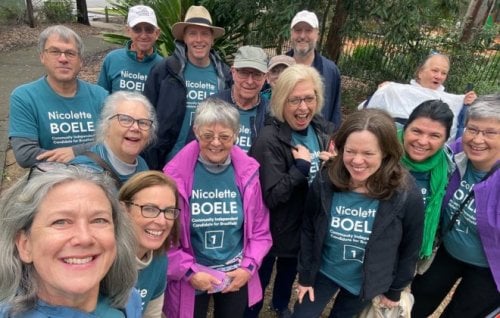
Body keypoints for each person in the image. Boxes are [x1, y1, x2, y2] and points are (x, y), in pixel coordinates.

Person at [292, 109, 424, 317]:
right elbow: (309, 227)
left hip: (366, 280)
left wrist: (395, 290)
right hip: (323, 272)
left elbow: (410, 247)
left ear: (386, 153)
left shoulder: (407, 194)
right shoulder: (326, 179)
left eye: (368, 153)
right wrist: (305, 276)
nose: (357, 161)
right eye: (350, 151)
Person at [163, 98, 272, 318]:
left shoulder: (248, 173)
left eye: (224, 136)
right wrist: (189, 272)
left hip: (235, 271)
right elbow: (164, 236)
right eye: (207, 135)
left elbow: (260, 230)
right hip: (193, 272)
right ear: (195, 131)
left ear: (236, 134)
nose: (215, 143)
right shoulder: (174, 176)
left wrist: (248, 268)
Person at [246, 64, 335, 318]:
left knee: (288, 272)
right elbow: (272, 196)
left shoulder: (321, 130)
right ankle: (250, 312)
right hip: (274, 230)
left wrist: (333, 167)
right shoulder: (269, 139)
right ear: (281, 101)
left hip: (305, 227)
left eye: (309, 98)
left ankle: (280, 306)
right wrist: (301, 168)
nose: (303, 108)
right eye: (294, 100)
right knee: (260, 280)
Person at [0, 164, 141, 317]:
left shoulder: (129, 299)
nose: (84, 238)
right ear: (25, 245)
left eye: (99, 220)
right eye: (61, 222)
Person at [411, 95, 500, 318]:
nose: (478, 139)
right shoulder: (455, 152)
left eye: (490, 133)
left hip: (489, 269)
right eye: (472, 129)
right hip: (448, 251)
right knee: (416, 301)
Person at [143, 5, 231, 170]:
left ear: (212, 39)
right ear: (184, 37)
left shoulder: (224, 75)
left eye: (204, 33)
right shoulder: (165, 70)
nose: (199, 40)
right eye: (192, 33)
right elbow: (147, 113)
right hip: (169, 159)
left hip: (210, 159)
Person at [9, 25, 108, 168]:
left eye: (70, 53)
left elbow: (113, 143)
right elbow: (26, 155)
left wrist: (74, 151)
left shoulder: (100, 95)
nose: (63, 59)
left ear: (80, 61)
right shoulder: (24, 97)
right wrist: (88, 156)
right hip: (48, 180)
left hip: (98, 178)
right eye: (55, 51)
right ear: (42, 57)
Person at [361, 53, 477, 140]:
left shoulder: (453, 101)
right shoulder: (396, 92)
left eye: (443, 73)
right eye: (435, 70)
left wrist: (467, 102)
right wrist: (385, 90)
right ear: (421, 72)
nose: (439, 76)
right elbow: (367, 115)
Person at [119, 171, 180, 317]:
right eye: (149, 209)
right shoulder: (102, 260)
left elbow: (152, 315)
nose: (161, 221)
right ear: (123, 209)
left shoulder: (159, 261)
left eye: (169, 211)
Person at [400, 100, 454, 262]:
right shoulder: (380, 153)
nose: (423, 141)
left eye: (434, 136)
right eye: (416, 131)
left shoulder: (449, 167)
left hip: (410, 252)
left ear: (445, 139)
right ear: (405, 128)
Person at [72, 91, 157, 185]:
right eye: (125, 119)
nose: (136, 128)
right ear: (106, 125)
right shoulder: (84, 172)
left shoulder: (141, 165)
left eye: (143, 122)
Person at [287, 10, 342, 128]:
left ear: (317, 34)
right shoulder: (278, 68)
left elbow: (334, 115)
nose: (302, 36)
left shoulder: (331, 71)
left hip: (317, 142)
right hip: (279, 141)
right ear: (291, 34)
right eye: (298, 30)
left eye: (308, 30)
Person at [212, 45, 269, 152]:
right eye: (243, 73)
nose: (250, 81)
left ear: (265, 77)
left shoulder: (271, 112)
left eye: (257, 74)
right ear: (233, 72)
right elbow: (194, 149)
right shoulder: (212, 106)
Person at [97, 5, 163, 93]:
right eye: (137, 29)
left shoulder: (163, 67)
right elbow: (101, 97)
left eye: (149, 29)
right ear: (128, 31)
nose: (143, 36)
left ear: (157, 33)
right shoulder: (113, 59)